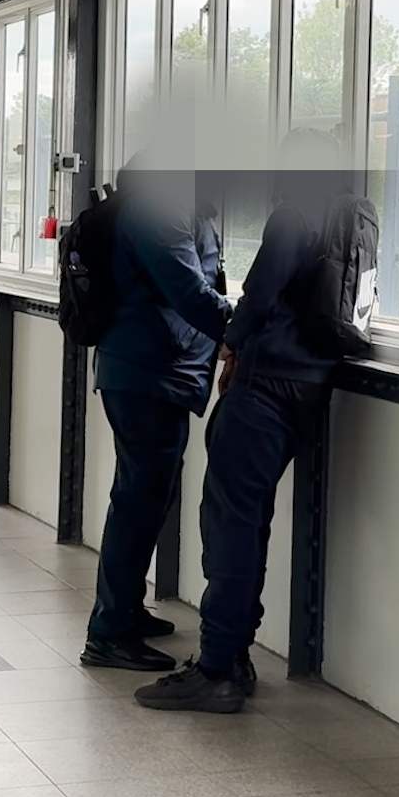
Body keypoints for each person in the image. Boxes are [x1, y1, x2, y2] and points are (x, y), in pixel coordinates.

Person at [134, 129, 346, 713]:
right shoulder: (350, 214)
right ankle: (233, 652)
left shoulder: (293, 215)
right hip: (312, 383)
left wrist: (231, 346)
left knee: (229, 524)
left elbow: (259, 295)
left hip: (265, 388)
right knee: (249, 522)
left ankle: (219, 667)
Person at [80, 155, 232, 673]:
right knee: (139, 500)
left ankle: (122, 611)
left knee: (147, 496)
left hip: (160, 370)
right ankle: (109, 631)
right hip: (148, 372)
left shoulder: (179, 206)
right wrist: (248, 328)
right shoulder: (159, 209)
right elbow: (189, 292)